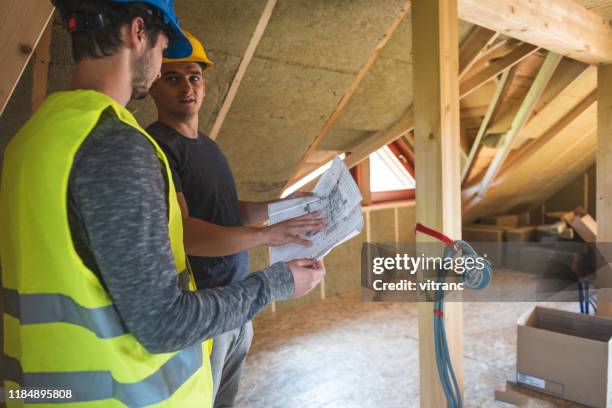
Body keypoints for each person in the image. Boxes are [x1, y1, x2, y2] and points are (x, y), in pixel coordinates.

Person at [0, 1, 325, 406]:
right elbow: (164, 324)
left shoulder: (31, 138)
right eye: (163, 48)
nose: (160, 65)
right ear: (139, 32)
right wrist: (277, 283)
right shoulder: (117, 147)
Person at [146, 32, 325, 407]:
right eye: (172, 78)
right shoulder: (159, 146)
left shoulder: (208, 146)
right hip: (202, 306)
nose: (187, 87)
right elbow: (188, 235)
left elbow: (233, 212)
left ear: (205, 85)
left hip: (237, 301)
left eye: (194, 76)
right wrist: (268, 237)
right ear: (153, 87)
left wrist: (283, 208)